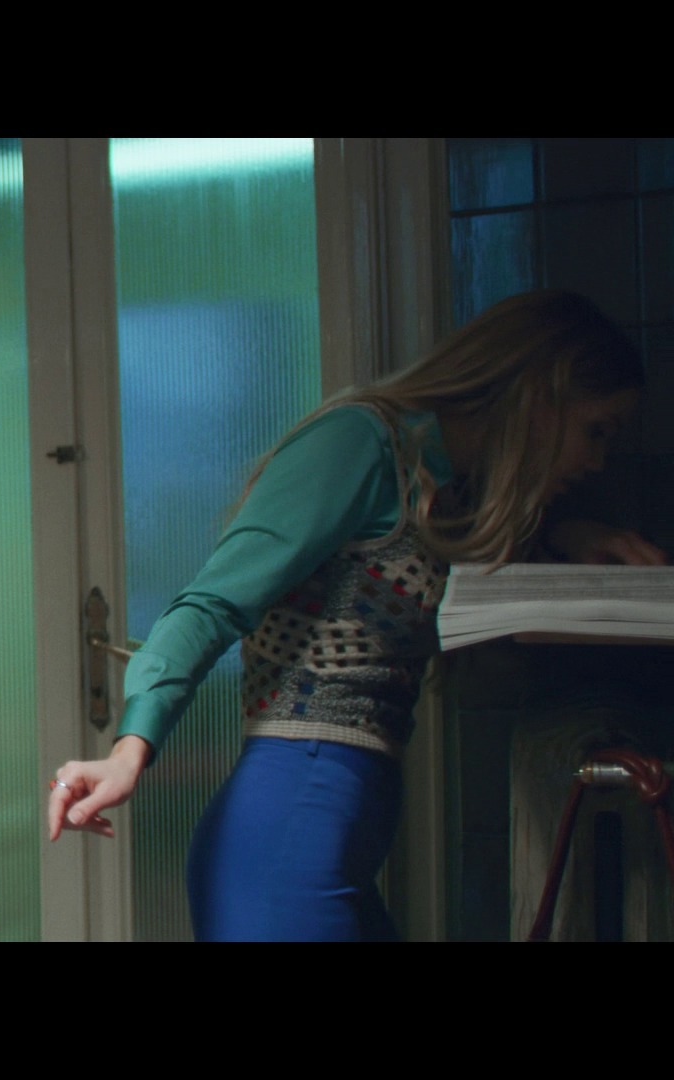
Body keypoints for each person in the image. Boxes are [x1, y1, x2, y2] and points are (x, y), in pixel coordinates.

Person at [46, 289, 664, 941]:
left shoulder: (443, 483)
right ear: (540, 396)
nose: (597, 461)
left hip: (321, 840)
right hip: (287, 839)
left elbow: (448, 554)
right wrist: (129, 751)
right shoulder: (361, 443)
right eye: (596, 431)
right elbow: (210, 603)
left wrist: (571, 536)